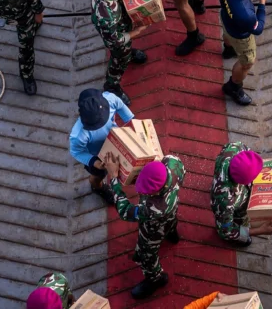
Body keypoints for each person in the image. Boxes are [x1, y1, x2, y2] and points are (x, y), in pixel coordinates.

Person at [110, 155, 186, 300]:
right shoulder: (173, 162)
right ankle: (171, 233)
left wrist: (114, 179)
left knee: (146, 254)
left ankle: (156, 278)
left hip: (153, 229)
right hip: (172, 211)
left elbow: (125, 211)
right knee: (170, 222)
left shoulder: (154, 208)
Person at [217, 0, 271, 106]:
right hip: (241, 36)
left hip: (227, 20)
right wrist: (262, 2)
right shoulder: (246, 15)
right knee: (247, 63)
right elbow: (258, 29)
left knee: (227, 34)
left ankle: (228, 49)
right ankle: (233, 87)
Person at [69, 88, 135, 205]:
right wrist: (96, 163)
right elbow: (77, 152)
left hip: (117, 143)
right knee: (98, 176)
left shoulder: (111, 99)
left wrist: (132, 124)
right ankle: (97, 188)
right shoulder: (78, 135)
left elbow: (125, 113)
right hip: (98, 156)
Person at [91, 0, 148, 100]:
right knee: (120, 57)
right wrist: (136, 32)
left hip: (120, 24)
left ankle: (128, 51)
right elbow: (115, 40)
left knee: (126, 48)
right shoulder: (106, 16)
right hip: (114, 36)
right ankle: (112, 85)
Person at [210, 144, 265, 246]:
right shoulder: (225, 200)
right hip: (228, 208)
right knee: (234, 223)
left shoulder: (235, 149)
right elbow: (225, 230)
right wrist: (258, 231)